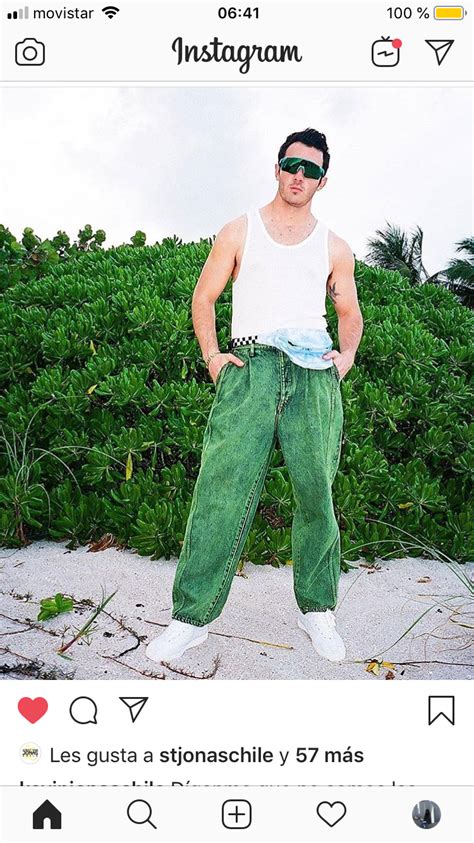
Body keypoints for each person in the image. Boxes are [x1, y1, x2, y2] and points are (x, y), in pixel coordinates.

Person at [146, 127, 364, 665]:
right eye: (292, 165)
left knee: (317, 493)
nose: (298, 176)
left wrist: (346, 358)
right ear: (276, 168)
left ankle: (317, 610)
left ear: (323, 180)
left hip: (313, 371)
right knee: (221, 488)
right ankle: (190, 618)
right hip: (251, 367)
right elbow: (205, 296)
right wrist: (214, 357)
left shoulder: (335, 246)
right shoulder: (239, 230)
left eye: (310, 170)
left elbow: (349, 311)